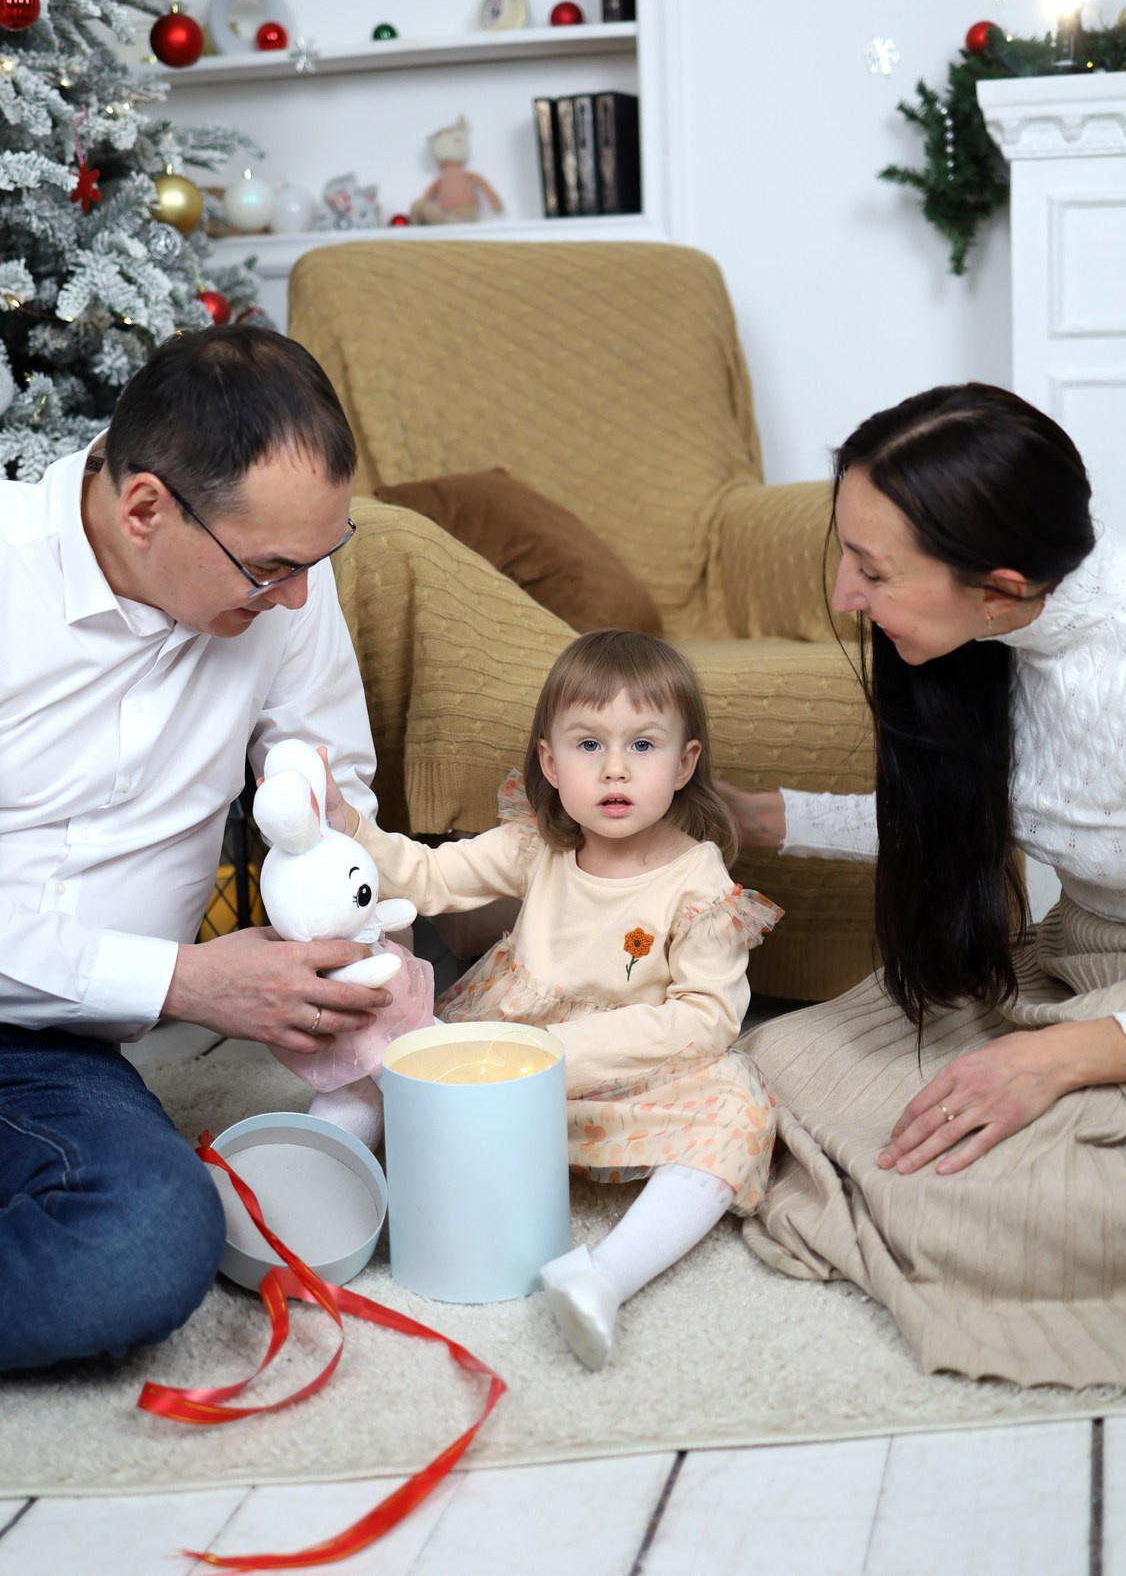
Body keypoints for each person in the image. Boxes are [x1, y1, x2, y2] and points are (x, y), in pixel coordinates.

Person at [719, 381, 1126, 1389]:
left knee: (978, 1168)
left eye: (872, 572)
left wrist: (1069, 1057)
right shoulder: (992, 634)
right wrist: (763, 816)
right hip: (1081, 955)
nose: (846, 598)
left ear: (994, 585)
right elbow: (969, 810)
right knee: (776, 1062)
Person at [0, 324, 395, 1373]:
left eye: (318, 559)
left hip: (43, 1048)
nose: (300, 598)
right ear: (143, 511)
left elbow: (333, 774)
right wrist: (186, 981)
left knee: (142, 1242)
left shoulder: (279, 588)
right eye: (271, 568)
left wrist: (320, 877)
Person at [323, 629, 780, 1370]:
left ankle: (604, 1276)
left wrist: (562, 1053)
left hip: (619, 1074)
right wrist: (357, 834)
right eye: (588, 744)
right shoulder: (539, 842)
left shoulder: (698, 883)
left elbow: (705, 1018)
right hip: (495, 1066)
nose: (613, 769)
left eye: (642, 745)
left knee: (740, 1104)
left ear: (684, 762)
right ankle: (319, 1173)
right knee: (392, 1040)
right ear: (549, 761)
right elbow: (432, 878)